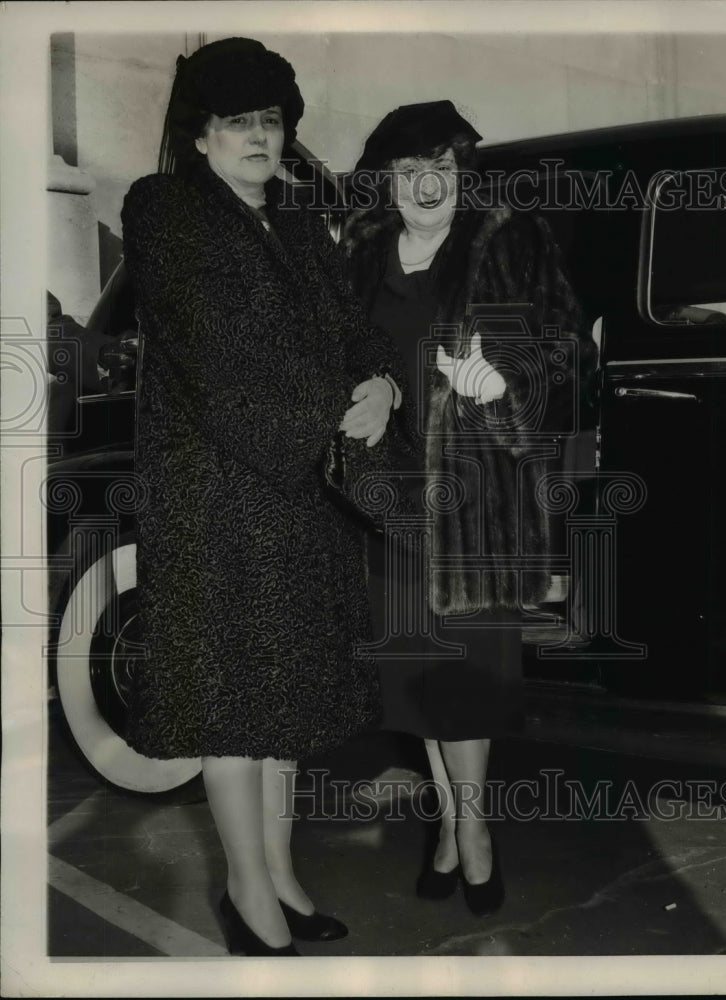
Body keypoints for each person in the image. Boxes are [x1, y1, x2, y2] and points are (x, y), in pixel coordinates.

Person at [120, 38, 404, 956]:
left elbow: (353, 332)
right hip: (218, 497)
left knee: (287, 704)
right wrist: (332, 416)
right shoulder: (163, 209)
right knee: (235, 706)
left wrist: (382, 385)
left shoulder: (297, 221)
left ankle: (280, 877)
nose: (257, 137)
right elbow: (219, 356)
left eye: (270, 121)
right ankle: (248, 895)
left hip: (298, 492)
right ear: (200, 136)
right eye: (236, 121)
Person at [344, 101, 596, 916]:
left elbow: (570, 358)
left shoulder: (507, 241)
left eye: (443, 168)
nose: (427, 185)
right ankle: (451, 827)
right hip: (384, 498)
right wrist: (369, 391)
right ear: (386, 179)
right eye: (410, 169)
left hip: (475, 499)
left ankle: (473, 828)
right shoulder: (360, 253)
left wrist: (504, 382)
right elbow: (338, 355)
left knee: (466, 677)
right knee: (412, 677)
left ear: (462, 174)